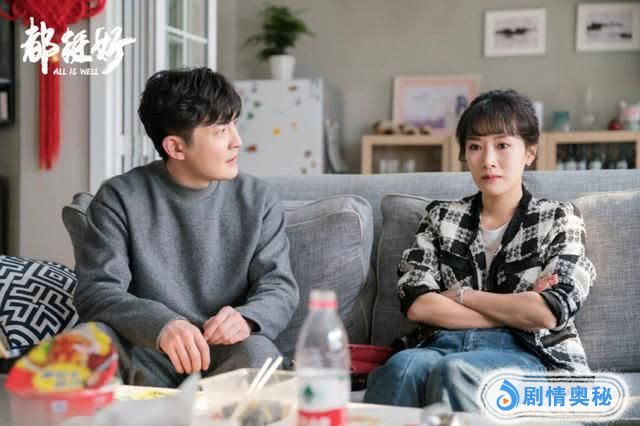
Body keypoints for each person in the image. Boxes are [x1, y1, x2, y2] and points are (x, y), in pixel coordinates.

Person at [364, 89, 596, 410]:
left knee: (455, 371)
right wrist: (516, 309)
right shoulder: (441, 217)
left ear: (530, 152)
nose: (488, 160)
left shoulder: (559, 218)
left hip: (528, 351)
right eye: (475, 147)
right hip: (440, 344)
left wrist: (459, 295)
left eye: (502, 145)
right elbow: (417, 304)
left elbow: (548, 312)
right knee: (402, 367)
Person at [74, 67, 299, 387]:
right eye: (221, 131)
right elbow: (96, 291)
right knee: (87, 342)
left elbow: (279, 287)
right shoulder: (119, 197)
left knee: (259, 354)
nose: (237, 142)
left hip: (225, 355)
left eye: (234, 124)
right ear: (176, 148)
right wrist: (161, 325)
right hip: (145, 349)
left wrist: (247, 318)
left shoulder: (259, 200)